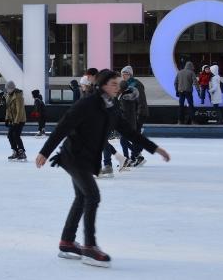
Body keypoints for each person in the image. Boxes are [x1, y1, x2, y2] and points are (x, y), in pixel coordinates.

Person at [36, 69, 171, 268]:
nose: (118, 87)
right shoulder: (87, 103)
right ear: (103, 85)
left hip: (86, 157)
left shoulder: (111, 106)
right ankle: (90, 247)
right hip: (74, 157)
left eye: (119, 84)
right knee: (92, 196)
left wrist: (155, 148)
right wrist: (45, 152)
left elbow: (128, 131)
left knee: (82, 197)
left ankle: (66, 242)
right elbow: (64, 126)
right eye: (114, 84)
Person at [4, 80, 26, 161]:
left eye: (8, 88)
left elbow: (20, 110)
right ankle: (15, 152)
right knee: (10, 135)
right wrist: (6, 119)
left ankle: (22, 153)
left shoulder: (18, 96)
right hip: (12, 120)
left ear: (12, 88)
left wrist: (16, 122)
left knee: (16, 135)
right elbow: (8, 109)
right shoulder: (8, 95)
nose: (6, 90)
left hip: (20, 120)